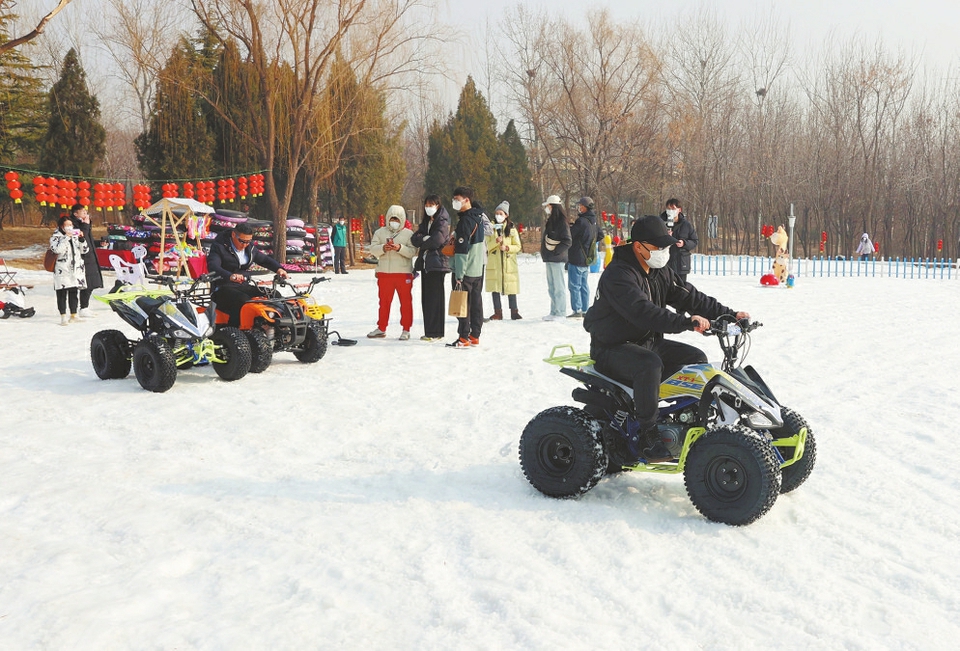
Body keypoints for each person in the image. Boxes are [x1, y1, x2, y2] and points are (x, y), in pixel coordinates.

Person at [583, 215, 749, 463]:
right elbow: (643, 312)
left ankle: (681, 421)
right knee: (648, 364)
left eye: (666, 246)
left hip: (647, 341)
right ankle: (647, 436)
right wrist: (685, 322)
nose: (664, 251)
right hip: (613, 347)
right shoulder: (619, 275)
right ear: (638, 246)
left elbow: (690, 297)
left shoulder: (660, 271)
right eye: (658, 246)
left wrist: (729, 314)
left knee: (695, 360)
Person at [207, 222, 287, 328]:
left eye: (248, 241)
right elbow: (213, 266)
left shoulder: (250, 248)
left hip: (242, 285)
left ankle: (275, 326)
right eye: (242, 241)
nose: (244, 245)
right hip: (223, 287)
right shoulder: (220, 246)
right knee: (243, 300)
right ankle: (233, 330)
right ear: (233, 235)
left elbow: (264, 260)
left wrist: (279, 269)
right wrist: (230, 276)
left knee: (273, 294)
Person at [367, 205, 416, 340]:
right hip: (385, 273)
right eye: (392, 219)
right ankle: (381, 327)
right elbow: (372, 249)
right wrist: (383, 248)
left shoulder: (408, 234)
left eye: (397, 219)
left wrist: (400, 248)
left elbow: (412, 252)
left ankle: (406, 329)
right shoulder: (380, 232)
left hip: (403, 273)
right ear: (388, 218)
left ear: (402, 220)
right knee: (384, 302)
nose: (394, 222)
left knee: (405, 302)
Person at [447, 186, 487, 348]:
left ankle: (463, 336)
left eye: (457, 199)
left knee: (462, 303)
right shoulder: (479, 217)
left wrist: (459, 274)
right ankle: (475, 335)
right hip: (478, 267)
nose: (455, 202)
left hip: (466, 269)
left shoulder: (465, 221)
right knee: (476, 303)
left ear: (466, 200)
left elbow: (462, 250)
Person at [410, 195, 452, 341]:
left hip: (438, 264)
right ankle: (429, 330)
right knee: (427, 299)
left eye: (431, 204)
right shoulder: (426, 222)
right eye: (427, 204)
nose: (429, 207)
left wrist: (424, 241)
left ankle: (436, 332)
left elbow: (437, 240)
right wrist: (424, 239)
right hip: (427, 263)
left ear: (438, 205)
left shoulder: (442, 221)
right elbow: (414, 238)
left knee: (435, 299)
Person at [485, 201, 522, 320]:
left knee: (511, 287)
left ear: (506, 215)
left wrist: (507, 247)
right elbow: (485, 246)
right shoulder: (491, 227)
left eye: (501, 213)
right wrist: (495, 242)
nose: (498, 216)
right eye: (496, 213)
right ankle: (497, 311)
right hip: (495, 263)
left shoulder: (511, 228)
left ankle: (514, 311)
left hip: (508, 263)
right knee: (495, 287)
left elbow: (517, 246)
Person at [49, 215, 89, 326]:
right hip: (63, 269)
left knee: (73, 291)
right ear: (61, 227)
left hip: (76, 269)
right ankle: (63, 316)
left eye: (71, 225)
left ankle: (74, 314)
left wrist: (81, 239)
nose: (70, 227)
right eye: (67, 225)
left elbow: (85, 250)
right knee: (62, 292)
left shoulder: (75, 236)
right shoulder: (55, 237)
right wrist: (66, 237)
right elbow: (57, 250)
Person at [540, 194, 571, 320]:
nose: (546, 208)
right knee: (552, 286)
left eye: (548, 206)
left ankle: (560, 312)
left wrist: (556, 251)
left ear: (552, 206)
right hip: (550, 258)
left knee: (559, 287)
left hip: (557, 259)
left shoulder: (562, 222)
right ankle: (554, 311)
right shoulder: (551, 221)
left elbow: (567, 241)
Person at [69, 204, 104, 317]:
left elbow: (88, 239)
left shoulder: (84, 224)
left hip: (90, 255)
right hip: (81, 257)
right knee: (85, 283)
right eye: (82, 211)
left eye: (85, 211)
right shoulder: (72, 224)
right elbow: (79, 238)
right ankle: (81, 308)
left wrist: (99, 243)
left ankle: (85, 307)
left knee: (91, 282)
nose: (85, 213)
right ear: (75, 213)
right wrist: (85, 225)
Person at [567, 196, 598, 318]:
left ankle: (577, 309)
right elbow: (599, 235)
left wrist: (570, 227)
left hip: (576, 257)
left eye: (580, 206)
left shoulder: (581, 222)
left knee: (574, 285)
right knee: (584, 285)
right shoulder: (594, 221)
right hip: (587, 258)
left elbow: (571, 235)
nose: (579, 208)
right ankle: (585, 309)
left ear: (585, 207)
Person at [660, 198, 698, 283]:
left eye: (673, 209)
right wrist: (665, 237)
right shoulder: (660, 223)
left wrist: (684, 243)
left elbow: (694, 241)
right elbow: (654, 241)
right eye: (668, 209)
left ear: (679, 210)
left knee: (681, 289)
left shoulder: (686, 225)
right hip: (664, 262)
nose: (670, 211)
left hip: (681, 263)